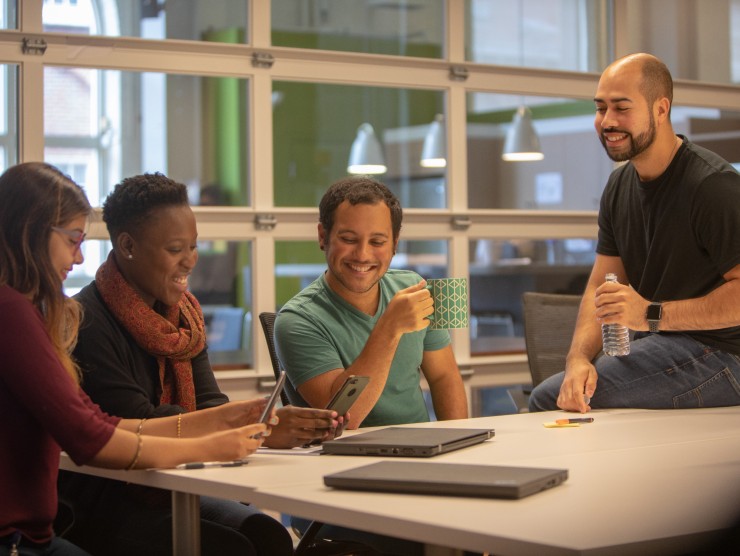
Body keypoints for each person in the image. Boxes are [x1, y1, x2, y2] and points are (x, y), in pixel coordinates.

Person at [58, 173, 343, 556]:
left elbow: (209, 402)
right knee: (233, 548)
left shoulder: (185, 318)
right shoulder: (86, 320)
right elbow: (143, 423)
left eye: (193, 246)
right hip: (108, 500)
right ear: (127, 245)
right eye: (176, 248)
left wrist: (263, 426)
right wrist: (244, 425)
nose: (190, 260)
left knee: (268, 534)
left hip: (176, 486)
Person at [0, 162, 273, 556]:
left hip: (30, 535)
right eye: (73, 239)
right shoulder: (16, 314)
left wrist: (230, 419)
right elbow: (91, 439)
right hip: (26, 536)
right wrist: (212, 445)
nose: (77, 258)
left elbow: (99, 422)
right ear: (32, 232)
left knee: (261, 534)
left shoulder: (182, 318)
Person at [529, 53, 740, 413]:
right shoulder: (618, 185)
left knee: (548, 400)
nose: (607, 121)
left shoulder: (713, 186)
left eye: (621, 108)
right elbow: (600, 287)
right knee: (561, 391)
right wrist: (577, 358)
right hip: (660, 344)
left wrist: (651, 314)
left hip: (725, 355)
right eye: (600, 108)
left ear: (661, 109)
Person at [276, 175, 468, 428]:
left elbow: (445, 377)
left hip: (422, 449)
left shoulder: (413, 288)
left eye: (377, 242)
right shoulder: (295, 320)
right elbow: (344, 418)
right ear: (323, 236)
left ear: (395, 244)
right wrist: (389, 328)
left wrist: (457, 440)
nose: (363, 254)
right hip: (345, 458)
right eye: (348, 239)